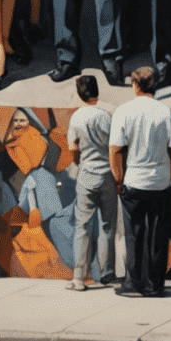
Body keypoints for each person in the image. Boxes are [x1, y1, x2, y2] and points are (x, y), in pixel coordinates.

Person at [109, 66, 171, 297]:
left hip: (134, 181)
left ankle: (133, 283)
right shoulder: (165, 111)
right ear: (155, 85)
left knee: (134, 234)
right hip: (160, 182)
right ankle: (155, 285)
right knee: (158, 235)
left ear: (135, 85)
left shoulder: (123, 111)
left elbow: (116, 149)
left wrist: (118, 178)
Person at [66, 73, 117, 291]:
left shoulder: (77, 117)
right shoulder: (107, 116)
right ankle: (107, 272)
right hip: (108, 175)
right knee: (107, 226)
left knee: (83, 227)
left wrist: (79, 162)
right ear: (97, 91)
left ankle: (79, 276)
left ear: (79, 93)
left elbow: (72, 148)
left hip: (86, 174)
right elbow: (116, 146)